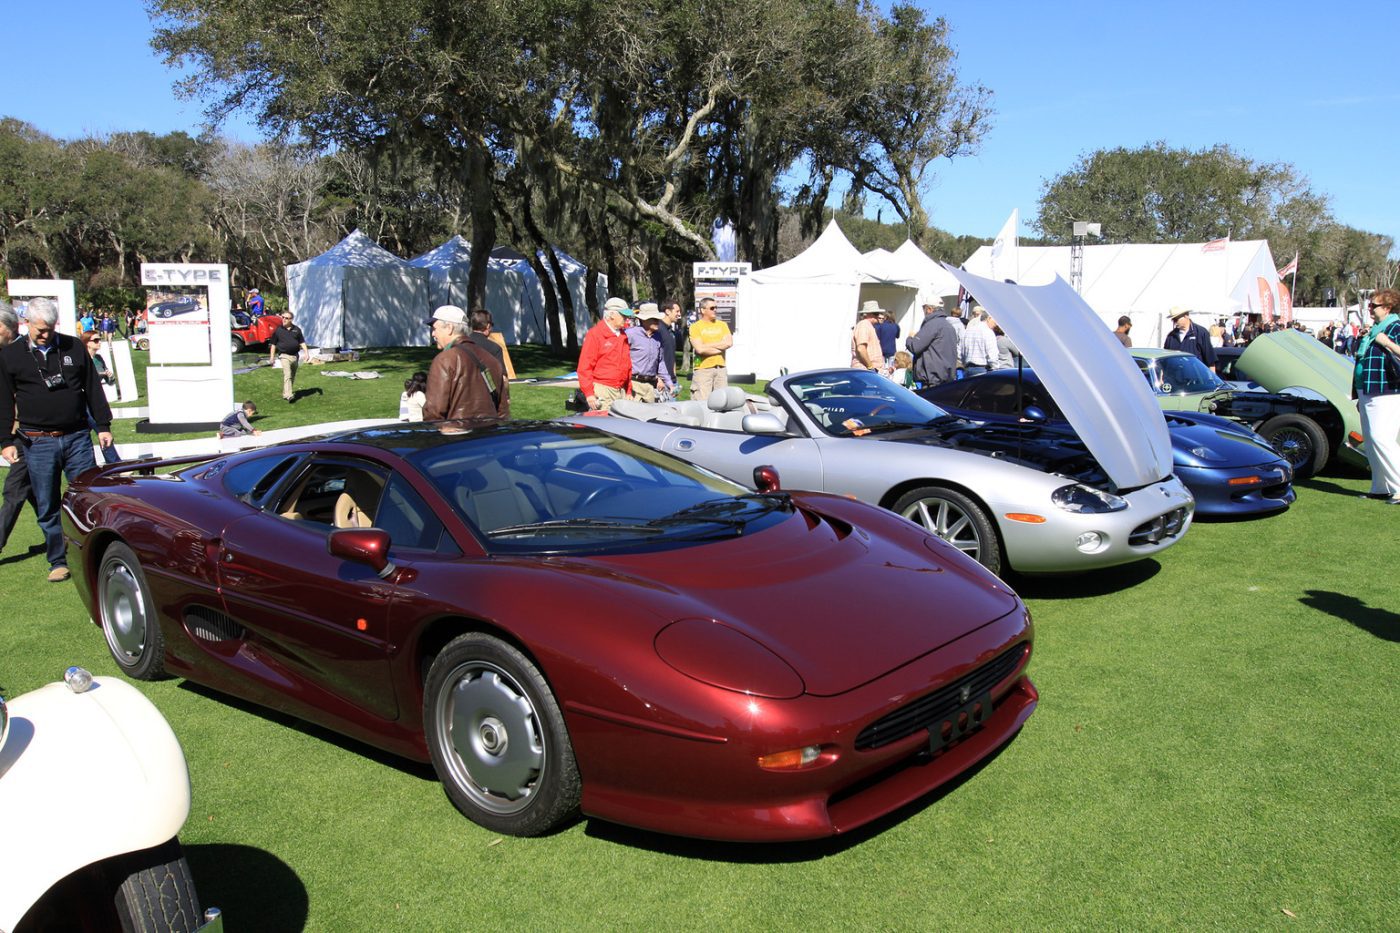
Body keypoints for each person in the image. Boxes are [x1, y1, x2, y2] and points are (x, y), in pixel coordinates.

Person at [0, 297, 114, 582]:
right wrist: (5, 441)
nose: (45, 334)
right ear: (26, 323)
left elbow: (92, 387)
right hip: (37, 441)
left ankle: (92, 555)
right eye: (40, 329)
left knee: (86, 496)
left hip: (77, 437)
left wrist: (103, 425)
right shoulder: (11, 356)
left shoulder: (73, 346)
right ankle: (58, 560)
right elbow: (3, 401)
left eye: (50, 329)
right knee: (47, 502)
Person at [1353, 289, 1400, 502]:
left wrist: (1387, 342)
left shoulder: (1395, 327)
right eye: (1370, 305)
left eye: (1374, 305)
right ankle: (1381, 487)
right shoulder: (1375, 329)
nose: (1370, 309)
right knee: (1372, 441)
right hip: (1368, 389)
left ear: (1387, 308)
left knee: (1381, 438)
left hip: (1387, 390)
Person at [0, 301, 39, 559]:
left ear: (10, 326)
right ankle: (61, 540)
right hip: (15, 434)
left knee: (14, 490)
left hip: (26, 434)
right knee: (36, 492)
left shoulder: (23, 354)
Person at [424, 305, 510, 420]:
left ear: (449, 328)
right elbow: (503, 411)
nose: (433, 334)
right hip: (490, 429)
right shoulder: (492, 360)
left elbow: (433, 413)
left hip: (456, 430)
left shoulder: (444, 360)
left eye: (435, 329)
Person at [577, 298, 633, 411]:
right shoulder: (595, 334)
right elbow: (585, 367)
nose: (626, 319)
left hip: (621, 391)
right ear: (611, 314)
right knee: (604, 421)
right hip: (603, 391)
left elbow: (628, 366)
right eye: (623, 315)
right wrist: (589, 394)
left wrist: (628, 390)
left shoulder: (623, 336)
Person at [81, 332, 121, 464]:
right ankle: (114, 463)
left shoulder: (98, 358)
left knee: (95, 431)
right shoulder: (82, 358)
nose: (99, 342)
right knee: (100, 429)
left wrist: (109, 376)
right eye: (96, 340)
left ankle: (111, 463)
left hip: (96, 400)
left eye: (99, 340)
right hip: (84, 401)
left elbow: (110, 382)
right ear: (87, 343)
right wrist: (100, 374)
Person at [906, 301, 958, 388]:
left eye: (924, 309)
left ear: (929, 309)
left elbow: (915, 346)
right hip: (946, 376)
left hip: (932, 378)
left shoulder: (932, 325)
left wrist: (910, 338)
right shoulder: (949, 326)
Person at [689, 297, 732, 400]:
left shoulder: (723, 325)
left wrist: (707, 345)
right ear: (703, 310)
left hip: (720, 368)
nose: (715, 310)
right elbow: (700, 350)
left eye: (716, 307)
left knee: (721, 402)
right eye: (712, 308)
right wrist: (721, 347)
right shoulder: (695, 327)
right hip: (702, 369)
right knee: (702, 403)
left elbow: (729, 343)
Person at [625, 305, 667, 402]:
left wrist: (662, 379)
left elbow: (660, 361)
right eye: (654, 319)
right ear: (644, 320)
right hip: (633, 383)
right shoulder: (630, 334)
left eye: (658, 319)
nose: (657, 321)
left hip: (651, 385)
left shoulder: (658, 337)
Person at [268, 309, 309, 402]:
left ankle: (285, 393)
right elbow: (273, 345)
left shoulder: (297, 330)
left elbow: (302, 342)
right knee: (287, 374)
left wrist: (306, 353)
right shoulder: (278, 330)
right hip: (284, 355)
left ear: (291, 320)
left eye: (286, 318)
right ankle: (289, 395)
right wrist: (272, 357)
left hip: (295, 356)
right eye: (283, 317)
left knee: (292, 375)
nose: (284, 319)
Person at [1164, 306, 1217, 372]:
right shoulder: (1171, 336)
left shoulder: (1200, 333)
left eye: (1176, 319)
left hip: (1196, 376)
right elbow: (1165, 361)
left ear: (1186, 316)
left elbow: (1210, 360)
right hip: (1176, 376)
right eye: (1173, 320)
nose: (1175, 322)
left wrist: (1212, 376)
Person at [962, 306, 998, 376]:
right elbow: (992, 355)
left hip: (967, 368)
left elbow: (962, 351)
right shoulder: (988, 332)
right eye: (995, 321)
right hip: (982, 369)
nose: (996, 324)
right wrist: (995, 368)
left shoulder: (969, 330)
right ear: (989, 318)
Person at [656, 298, 682, 398]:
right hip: (661, 381)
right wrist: (659, 378)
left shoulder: (670, 330)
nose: (679, 314)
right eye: (677, 311)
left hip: (672, 381)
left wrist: (674, 379)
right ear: (667, 311)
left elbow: (671, 355)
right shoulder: (658, 329)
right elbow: (655, 356)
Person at [851, 301, 885, 371]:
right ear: (867, 314)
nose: (878, 316)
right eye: (876, 314)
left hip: (868, 369)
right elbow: (861, 349)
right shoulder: (863, 325)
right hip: (864, 369)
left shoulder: (868, 325)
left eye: (878, 314)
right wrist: (870, 367)